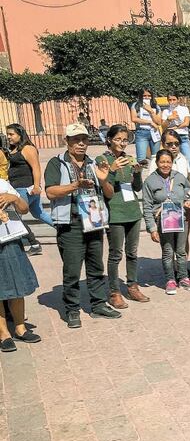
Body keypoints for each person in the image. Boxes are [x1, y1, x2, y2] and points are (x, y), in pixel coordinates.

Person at [44, 123, 120, 328]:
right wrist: (75, 185)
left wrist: (103, 180)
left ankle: (98, 304)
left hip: (93, 221)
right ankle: (72, 309)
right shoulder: (56, 163)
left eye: (84, 139)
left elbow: (109, 193)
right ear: (67, 141)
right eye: (76, 139)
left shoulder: (94, 163)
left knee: (96, 266)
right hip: (70, 223)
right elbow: (50, 192)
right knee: (72, 270)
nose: (81, 143)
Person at [101, 124, 149, 308]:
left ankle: (132, 286)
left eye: (125, 140)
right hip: (115, 213)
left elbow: (136, 187)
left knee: (132, 252)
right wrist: (112, 170)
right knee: (115, 254)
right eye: (118, 139)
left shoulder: (129, 159)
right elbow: (105, 189)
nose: (122, 143)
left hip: (133, 211)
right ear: (109, 140)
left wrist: (137, 172)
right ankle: (114, 292)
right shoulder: (102, 160)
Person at [143, 150, 190, 294]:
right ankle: (170, 280)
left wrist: (189, 201)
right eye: (162, 162)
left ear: (172, 163)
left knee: (181, 250)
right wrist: (152, 228)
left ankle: (183, 278)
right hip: (163, 220)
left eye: (168, 162)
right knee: (168, 251)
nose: (165, 165)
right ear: (157, 163)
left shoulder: (179, 177)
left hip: (180, 218)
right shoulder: (150, 181)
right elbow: (147, 206)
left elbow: (189, 192)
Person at [0, 177, 41, 352]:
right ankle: (4, 334)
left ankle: (20, 328)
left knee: (17, 284)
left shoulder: (2, 184)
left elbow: (24, 209)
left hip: (10, 240)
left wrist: (14, 198)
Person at [5, 124, 52, 256]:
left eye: (11, 134)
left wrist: (37, 186)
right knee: (39, 214)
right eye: (8, 134)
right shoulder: (14, 149)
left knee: (14, 217)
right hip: (19, 188)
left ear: (20, 134)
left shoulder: (28, 149)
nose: (8, 137)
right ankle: (65, 231)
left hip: (25, 189)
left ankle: (34, 243)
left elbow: (36, 168)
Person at [130, 88, 162, 164]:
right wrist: (150, 122)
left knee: (156, 158)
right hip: (141, 133)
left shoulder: (156, 106)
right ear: (141, 96)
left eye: (149, 95)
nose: (147, 97)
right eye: (144, 95)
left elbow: (158, 122)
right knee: (141, 159)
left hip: (154, 132)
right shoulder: (136, 105)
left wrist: (151, 111)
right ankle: (140, 171)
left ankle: (155, 171)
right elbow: (134, 118)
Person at [161, 94, 190, 168]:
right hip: (170, 138)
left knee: (188, 159)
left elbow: (186, 123)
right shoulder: (165, 111)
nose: (172, 101)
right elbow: (163, 126)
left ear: (178, 100)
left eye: (174, 99)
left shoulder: (184, 109)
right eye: (170, 100)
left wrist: (175, 128)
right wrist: (169, 119)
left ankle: (189, 174)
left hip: (182, 136)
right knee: (171, 159)